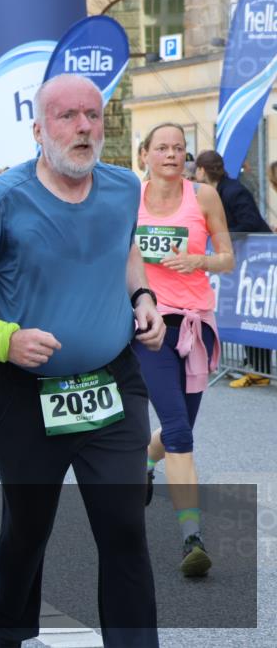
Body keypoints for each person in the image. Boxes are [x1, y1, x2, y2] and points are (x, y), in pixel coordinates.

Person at [0, 74, 165, 648]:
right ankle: (9, 634)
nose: (84, 127)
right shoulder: (1, 199)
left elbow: (125, 247)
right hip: (27, 394)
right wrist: (2, 337)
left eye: (93, 115)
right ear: (38, 130)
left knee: (125, 529)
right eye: (67, 117)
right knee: (28, 529)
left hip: (112, 386)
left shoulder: (122, 187)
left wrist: (143, 298)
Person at [135, 123, 234, 577]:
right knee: (178, 430)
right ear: (145, 155)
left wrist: (199, 260)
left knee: (180, 430)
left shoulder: (204, 197)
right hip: (151, 325)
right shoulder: (129, 199)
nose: (172, 155)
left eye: (179, 148)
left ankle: (145, 460)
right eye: (162, 148)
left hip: (197, 325)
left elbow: (227, 258)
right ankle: (192, 538)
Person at [194, 149, 274, 386]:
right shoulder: (217, 191)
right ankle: (254, 365)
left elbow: (250, 222)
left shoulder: (233, 190)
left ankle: (260, 370)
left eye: (197, 169)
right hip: (242, 258)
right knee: (245, 313)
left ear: (202, 170)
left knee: (255, 313)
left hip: (259, 258)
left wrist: (221, 236)